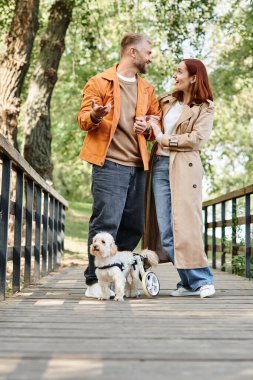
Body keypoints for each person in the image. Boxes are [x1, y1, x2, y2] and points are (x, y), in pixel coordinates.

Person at [77, 33, 160, 298]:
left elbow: (156, 121)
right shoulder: (99, 82)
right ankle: (94, 280)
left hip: (138, 166)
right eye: (148, 52)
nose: (151, 57)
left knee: (134, 225)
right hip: (109, 164)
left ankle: (114, 273)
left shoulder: (147, 89)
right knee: (106, 222)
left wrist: (148, 127)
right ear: (133, 53)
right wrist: (95, 114)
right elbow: (82, 118)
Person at [143, 59, 215, 298]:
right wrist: (148, 127)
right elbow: (153, 129)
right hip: (160, 166)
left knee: (187, 227)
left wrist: (163, 138)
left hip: (185, 168)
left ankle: (203, 280)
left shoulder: (205, 107)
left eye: (179, 71)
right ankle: (188, 283)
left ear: (194, 77)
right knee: (166, 230)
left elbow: (196, 139)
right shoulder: (166, 101)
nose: (175, 74)